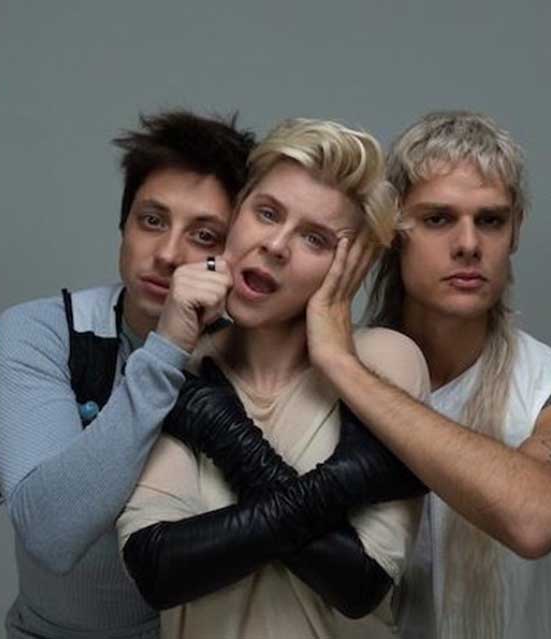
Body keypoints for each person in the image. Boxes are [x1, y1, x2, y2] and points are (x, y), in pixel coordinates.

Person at [296, 111, 551, 638]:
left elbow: (537, 521)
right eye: (438, 219)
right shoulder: (317, 378)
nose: (468, 244)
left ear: (515, 231)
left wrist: (343, 366)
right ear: (391, 232)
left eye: (490, 220)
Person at [116, 118, 429, 639]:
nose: (277, 245)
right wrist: (344, 481)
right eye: (267, 213)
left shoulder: (381, 361)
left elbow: (358, 582)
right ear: (237, 216)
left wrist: (226, 436)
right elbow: (158, 567)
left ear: (352, 267)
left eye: (315, 239)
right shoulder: (182, 365)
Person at [0, 110, 256, 639]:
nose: (168, 254)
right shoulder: (46, 330)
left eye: (204, 235)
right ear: (124, 226)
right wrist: (168, 347)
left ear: (233, 255)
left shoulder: (253, 355)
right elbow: (50, 534)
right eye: (152, 221)